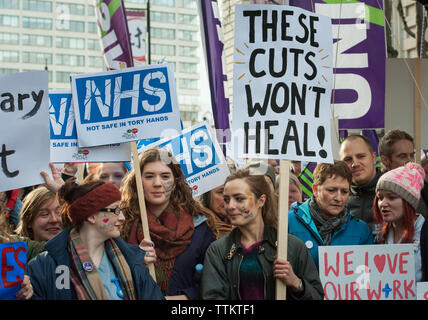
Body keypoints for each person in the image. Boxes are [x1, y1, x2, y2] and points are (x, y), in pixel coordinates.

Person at [27, 179, 164, 300]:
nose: (122, 217)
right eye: (115, 210)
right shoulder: (44, 267)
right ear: (91, 216)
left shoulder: (132, 260)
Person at [201, 169, 324, 300]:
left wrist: (296, 283)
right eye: (226, 199)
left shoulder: (292, 247)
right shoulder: (218, 251)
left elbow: (317, 295)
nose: (230, 206)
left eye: (239, 199)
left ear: (261, 200)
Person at [120, 147, 217, 300]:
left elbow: (215, 283)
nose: (157, 183)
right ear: (137, 181)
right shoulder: (122, 225)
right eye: (149, 176)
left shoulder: (199, 227)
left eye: (165, 176)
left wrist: (180, 299)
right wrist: (135, 262)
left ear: (175, 182)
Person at [288, 161, 373, 269]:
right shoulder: (289, 222)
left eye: (344, 191)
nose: (338, 198)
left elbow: (366, 276)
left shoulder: (360, 230)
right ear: (315, 190)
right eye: (331, 190)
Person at [373, 162, 426, 281]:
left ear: (409, 202)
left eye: (391, 197)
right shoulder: (379, 235)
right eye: (380, 198)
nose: (383, 204)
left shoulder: (424, 232)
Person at [339, 134, 382, 235]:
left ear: (373, 158)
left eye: (361, 156)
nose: (355, 164)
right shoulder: (336, 198)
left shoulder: (394, 191)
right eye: (348, 160)